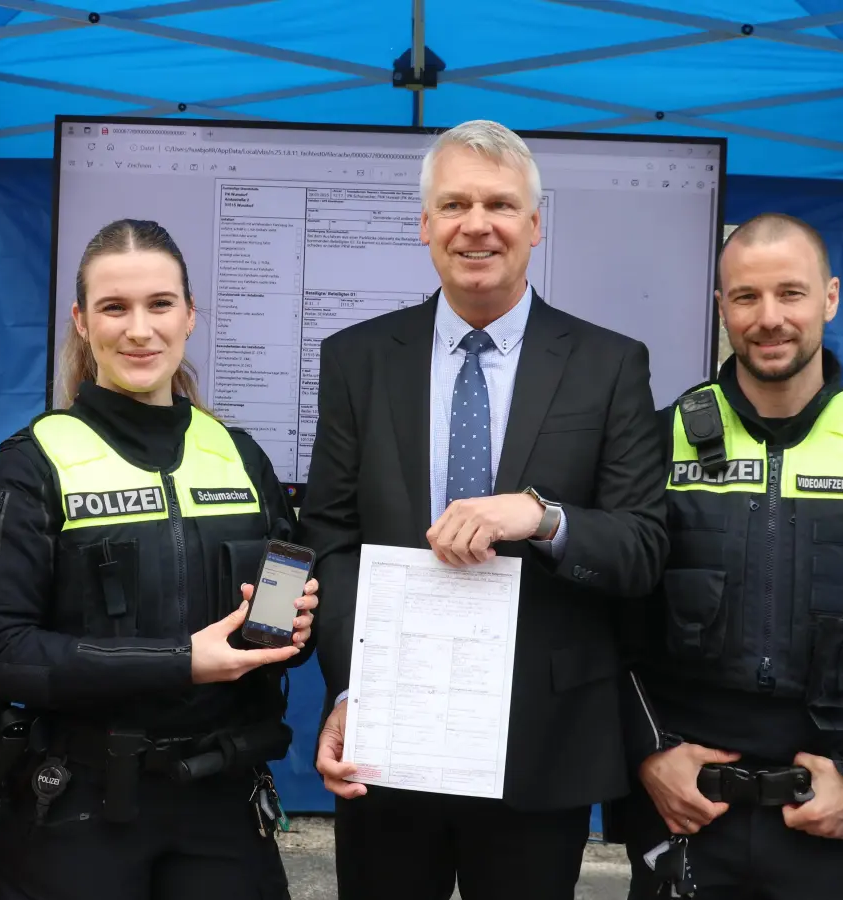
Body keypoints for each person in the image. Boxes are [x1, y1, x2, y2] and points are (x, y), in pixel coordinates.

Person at [300, 119, 669, 900]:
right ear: (425, 223)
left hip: (541, 745)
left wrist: (544, 518)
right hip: (393, 736)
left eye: (500, 205)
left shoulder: (609, 365)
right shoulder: (357, 360)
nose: (478, 225)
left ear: (535, 225)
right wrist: (349, 693)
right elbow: (331, 538)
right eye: (455, 204)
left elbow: (643, 546)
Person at [0, 218, 319, 900]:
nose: (139, 329)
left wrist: (294, 631)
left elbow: (284, 624)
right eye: (114, 308)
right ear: (81, 322)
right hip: (80, 805)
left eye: (159, 305)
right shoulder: (32, 464)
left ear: (189, 316)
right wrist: (180, 660)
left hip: (223, 805)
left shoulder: (240, 456)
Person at [617, 213, 843, 899]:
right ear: (721, 306)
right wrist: (649, 754)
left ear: (831, 298)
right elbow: (604, 619)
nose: (769, 318)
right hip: (691, 819)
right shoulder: (661, 443)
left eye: (791, 293)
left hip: (837, 823)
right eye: (746, 297)